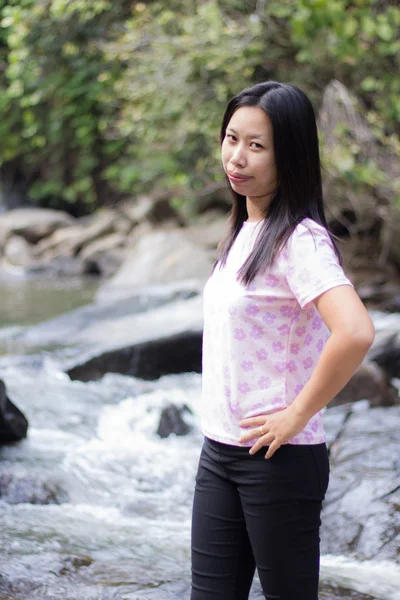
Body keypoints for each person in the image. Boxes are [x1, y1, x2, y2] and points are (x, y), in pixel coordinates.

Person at [191, 81, 375, 600]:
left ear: (288, 154)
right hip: (220, 450)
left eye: (257, 145)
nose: (237, 157)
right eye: (231, 138)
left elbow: (356, 331)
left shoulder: (300, 239)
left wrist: (295, 415)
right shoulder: (245, 229)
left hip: (279, 459)